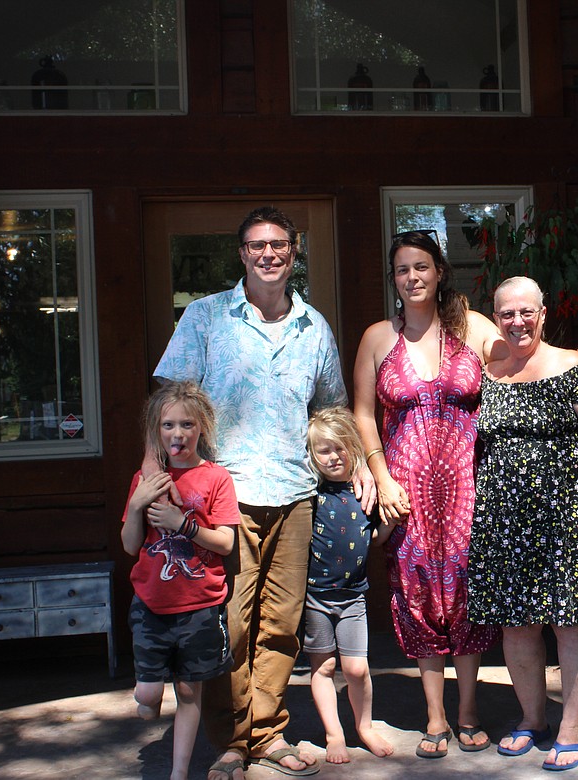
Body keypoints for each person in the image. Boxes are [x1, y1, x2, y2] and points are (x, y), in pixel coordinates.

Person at [353, 230, 578, 759]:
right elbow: (362, 414)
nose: (413, 277)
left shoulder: (472, 327)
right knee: (417, 593)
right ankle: (435, 716)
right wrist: (380, 475)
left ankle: (468, 712)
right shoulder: (378, 337)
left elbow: (522, 352)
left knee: (466, 596)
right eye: (402, 269)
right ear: (393, 279)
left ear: (440, 271)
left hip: (472, 487)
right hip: (407, 489)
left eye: (422, 266)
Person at [151, 205, 372, 780]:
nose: (267, 254)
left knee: (280, 623)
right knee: (233, 622)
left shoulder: (314, 327)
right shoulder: (204, 318)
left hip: (296, 494)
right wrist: (158, 483)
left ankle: (267, 732)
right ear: (242, 253)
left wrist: (361, 466)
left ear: (294, 252)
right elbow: (170, 404)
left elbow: (330, 408)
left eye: (278, 245)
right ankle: (232, 741)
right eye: (256, 245)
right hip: (224, 497)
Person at [468, 275, 578, 772]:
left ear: (543, 313)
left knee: (572, 621)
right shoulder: (487, 369)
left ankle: (572, 724)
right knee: (517, 626)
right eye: (506, 313)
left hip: (566, 517)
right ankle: (532, 717)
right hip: (503, 519)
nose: (517, 322)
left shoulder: (574, 365)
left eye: (526, 312)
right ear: (495, 317)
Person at [121, 381, 240, 780]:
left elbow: (225, 541)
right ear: (157, 431)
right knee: (148, 699)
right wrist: (138, 503)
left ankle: (179, 771)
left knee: (190, 691)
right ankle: (150, 691)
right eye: (168, 425)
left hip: (200, 606)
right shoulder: (146, 478)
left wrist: (182, 524)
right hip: (151, 604)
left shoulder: (216, 478)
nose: (178, 434)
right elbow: (130, 544)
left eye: (187, 424)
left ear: (201, 428)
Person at [303, 407, 395, 764]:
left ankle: (364, 726)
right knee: (323, 668)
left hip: (354, 597)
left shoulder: (363, 490)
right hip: (316, 598)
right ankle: (334, 733)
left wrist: (389, 522)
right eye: (324, 449)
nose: (333, 456)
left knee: (356, 669)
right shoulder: (312, 495)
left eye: (341, 447)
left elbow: (372, 538)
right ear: (311, 455)